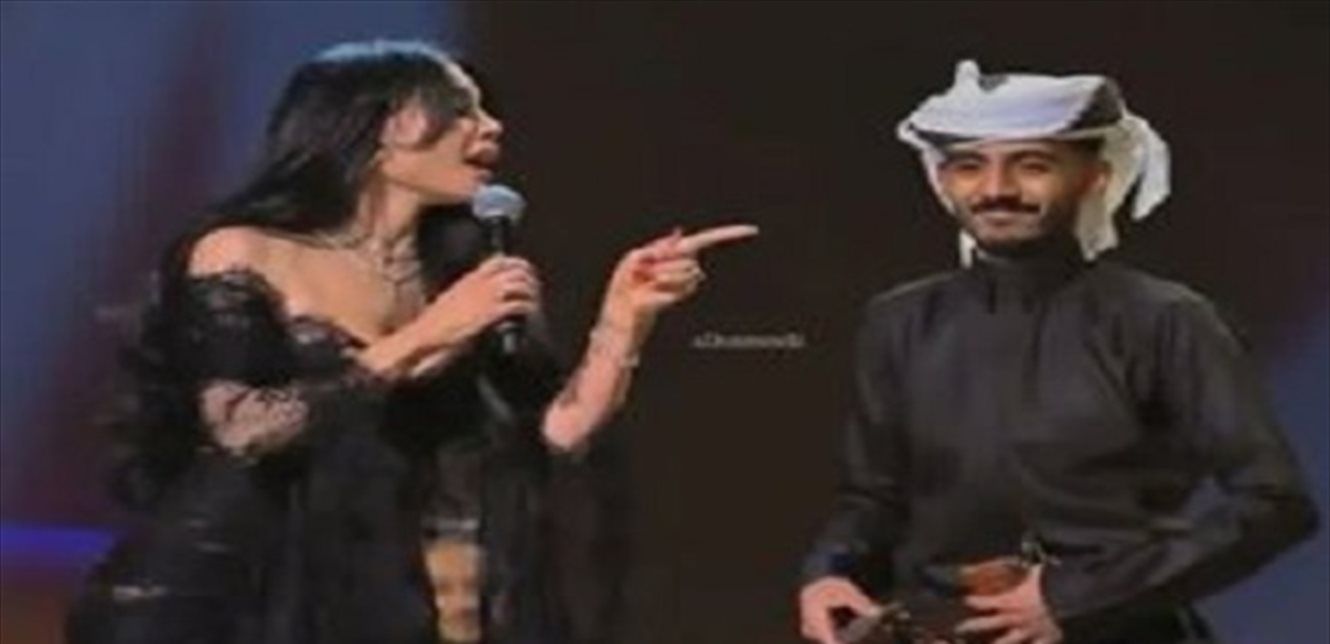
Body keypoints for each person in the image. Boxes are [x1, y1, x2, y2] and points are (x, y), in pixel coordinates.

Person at [67, 39, 757, 644]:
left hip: (368, 591)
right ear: (380, 129)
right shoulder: (243, 249)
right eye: (460, 110)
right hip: (226, 590)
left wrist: (625, 315)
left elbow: (553, 434)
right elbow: (243, 427)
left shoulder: (463, 273)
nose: (491, 127)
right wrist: (428, 334)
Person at [797, 60, 1317, 644]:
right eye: (969, 166)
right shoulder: (898, 321)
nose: (996, 190)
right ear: (942, 181)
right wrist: (831, 572)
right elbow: (874, 496)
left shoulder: (1166, 319)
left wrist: (1074, 598)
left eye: (1033, 165)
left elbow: (1275, 504)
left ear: (1095, 176)